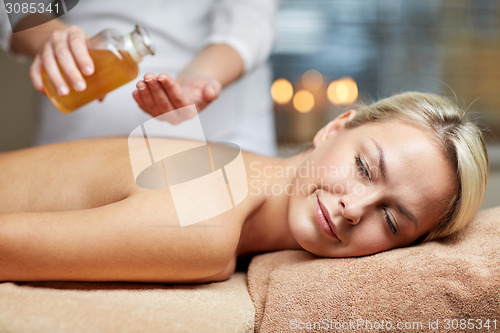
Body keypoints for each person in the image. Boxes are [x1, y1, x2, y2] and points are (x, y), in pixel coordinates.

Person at [0, 92, 489, 283]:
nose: (354, 209)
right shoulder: (206, 223)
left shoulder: (236, 170)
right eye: (363, 168)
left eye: (390, 220)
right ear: (335, 128)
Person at [0, 0, 279, 155]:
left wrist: (201, 78)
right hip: (76, 145)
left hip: (218, 136)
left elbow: (250, 17)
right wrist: (51, 39)